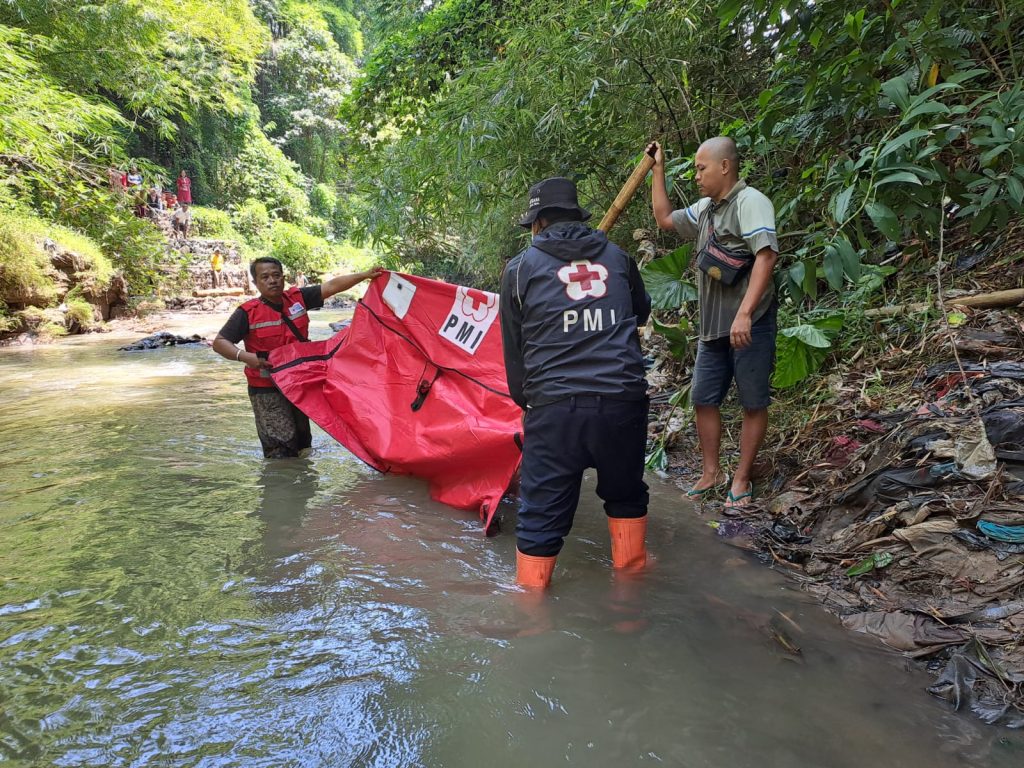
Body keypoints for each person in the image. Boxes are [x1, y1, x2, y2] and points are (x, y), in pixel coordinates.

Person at [499, 177, 652, 590]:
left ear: (537, 223)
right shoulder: (618, 258)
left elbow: (515, 352)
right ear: (576, 216)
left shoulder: (519, 271)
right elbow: (640, 312)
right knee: (625, 496)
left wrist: (529, 404)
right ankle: (630, 602)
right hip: (623, 401)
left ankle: (531, 617)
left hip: (554, 409)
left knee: (540, 517)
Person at [649, 137, 779, 509]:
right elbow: (664, 220)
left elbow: (766, 258)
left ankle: (740, 478)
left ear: (725, 167)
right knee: (704, 398)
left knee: (753, 401)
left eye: (701, 168)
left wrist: (745, 313)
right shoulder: (706, 209)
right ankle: (711, 474)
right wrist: (657, 171)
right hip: (712, 327)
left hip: (749, 323)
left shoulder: (750, 202)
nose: (696, 175)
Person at [212, 257, 383, 459]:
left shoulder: (298, 299)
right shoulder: (248, 313)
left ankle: (303, 485)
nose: (272, 280)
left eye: (276, 275)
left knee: (302, 443)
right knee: (280, 449)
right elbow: (220, 342)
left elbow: (331, 287)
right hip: (267, 388)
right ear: (256, 283)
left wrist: (364, 275)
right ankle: (281, 484)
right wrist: (246, 356)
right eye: (265, 277)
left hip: (299, 384)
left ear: (284, 278)